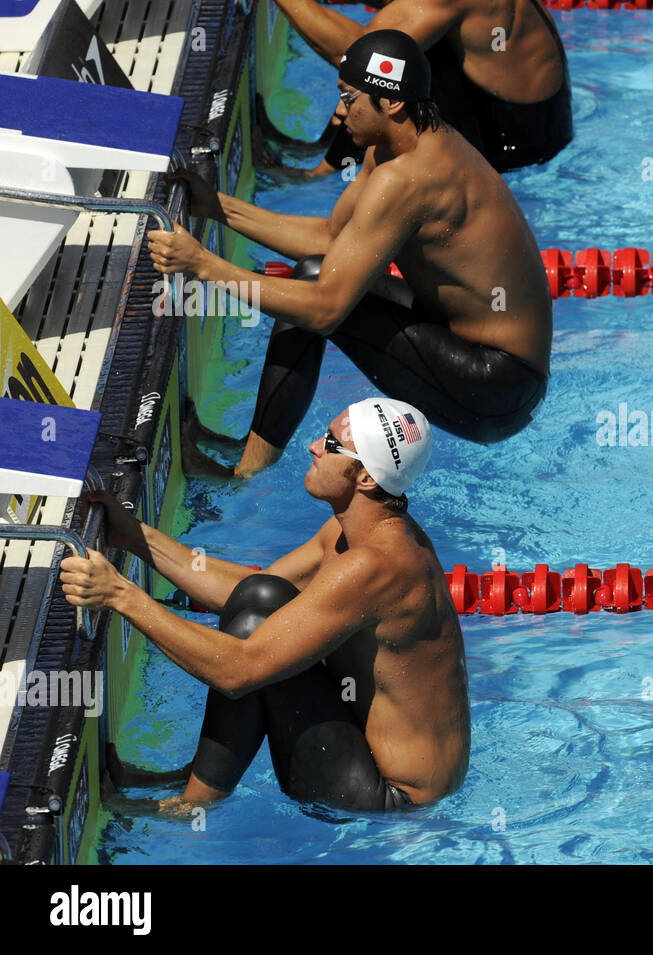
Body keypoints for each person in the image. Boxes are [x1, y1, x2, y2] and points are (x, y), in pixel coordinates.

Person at [149, 30, 553, 479]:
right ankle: (251, 456)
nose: (340, 110)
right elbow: (330, 238)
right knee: (312, 271)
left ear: (392, 102)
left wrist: (203, 264)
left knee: (312, 289)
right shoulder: (398, 147)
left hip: (496, 383)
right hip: (467, 349)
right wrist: (219, 207)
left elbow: (325, 311)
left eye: (349, 96)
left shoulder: (413, 177)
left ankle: (244, 476)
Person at [59, 398, 470, 810]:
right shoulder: (356, 534)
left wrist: (119, 594)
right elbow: (250, 588)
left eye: (330, 443)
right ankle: (190, 780)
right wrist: (132, 534)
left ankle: (192, 806)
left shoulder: (376, 566)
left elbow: (237, 670)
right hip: (358, 742)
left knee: (253, 631)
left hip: (387, 795)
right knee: (261, 598)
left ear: (364, 477)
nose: (312, 445)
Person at [275, 0, 572, 175]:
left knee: (394, 63)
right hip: (543, 125)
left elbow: (364, 57)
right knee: (410, 42)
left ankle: (317, 175)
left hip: (509, 149)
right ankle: (324, 152)